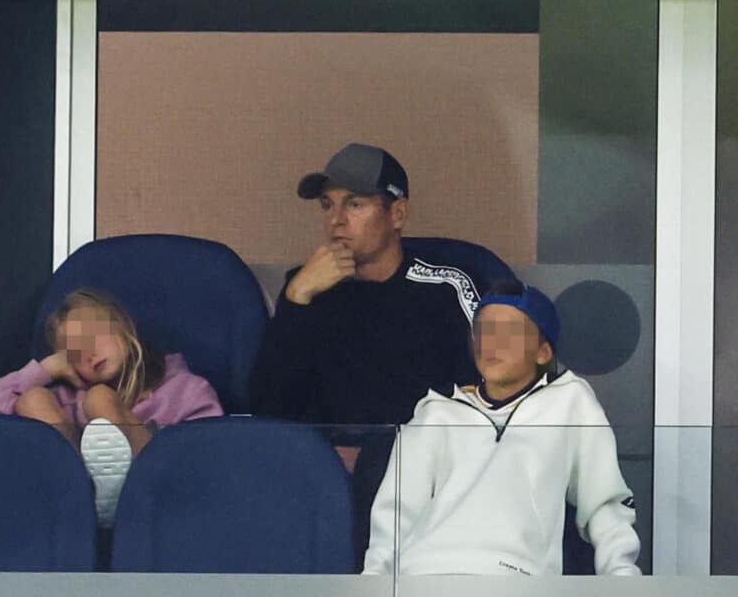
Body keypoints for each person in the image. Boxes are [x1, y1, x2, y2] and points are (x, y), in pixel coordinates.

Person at [249, 142, 513, 565]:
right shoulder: (307, 287)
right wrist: (297, 300)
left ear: (398, 215)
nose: (336, 221)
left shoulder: (447, 286)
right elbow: (270, 409)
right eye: (327, 205)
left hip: (430, 474)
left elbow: (490, 400)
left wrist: (384, 455)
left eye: (355, 204)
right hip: (326, 478)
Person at [363, 282, 641, 576]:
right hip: (422, 574)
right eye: (484, 330)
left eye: (510, 331)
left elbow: (605, 504)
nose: (492, 342)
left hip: (515, 576)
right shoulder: (437, 409)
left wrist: (620, 575)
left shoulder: (570, 400)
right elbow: (395, 512)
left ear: (543, 352)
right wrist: (374, 583)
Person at [0, 287, 223, 526]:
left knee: (100, 398)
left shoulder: (184, 389)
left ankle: (121, 485)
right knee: (32, 400)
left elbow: (208, 457)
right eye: (75, 353)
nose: (90, 353)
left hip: (160, 497)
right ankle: (81, 487)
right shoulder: (67, 400)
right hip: (76, 510)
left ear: (123, 326)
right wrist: (45, 369)